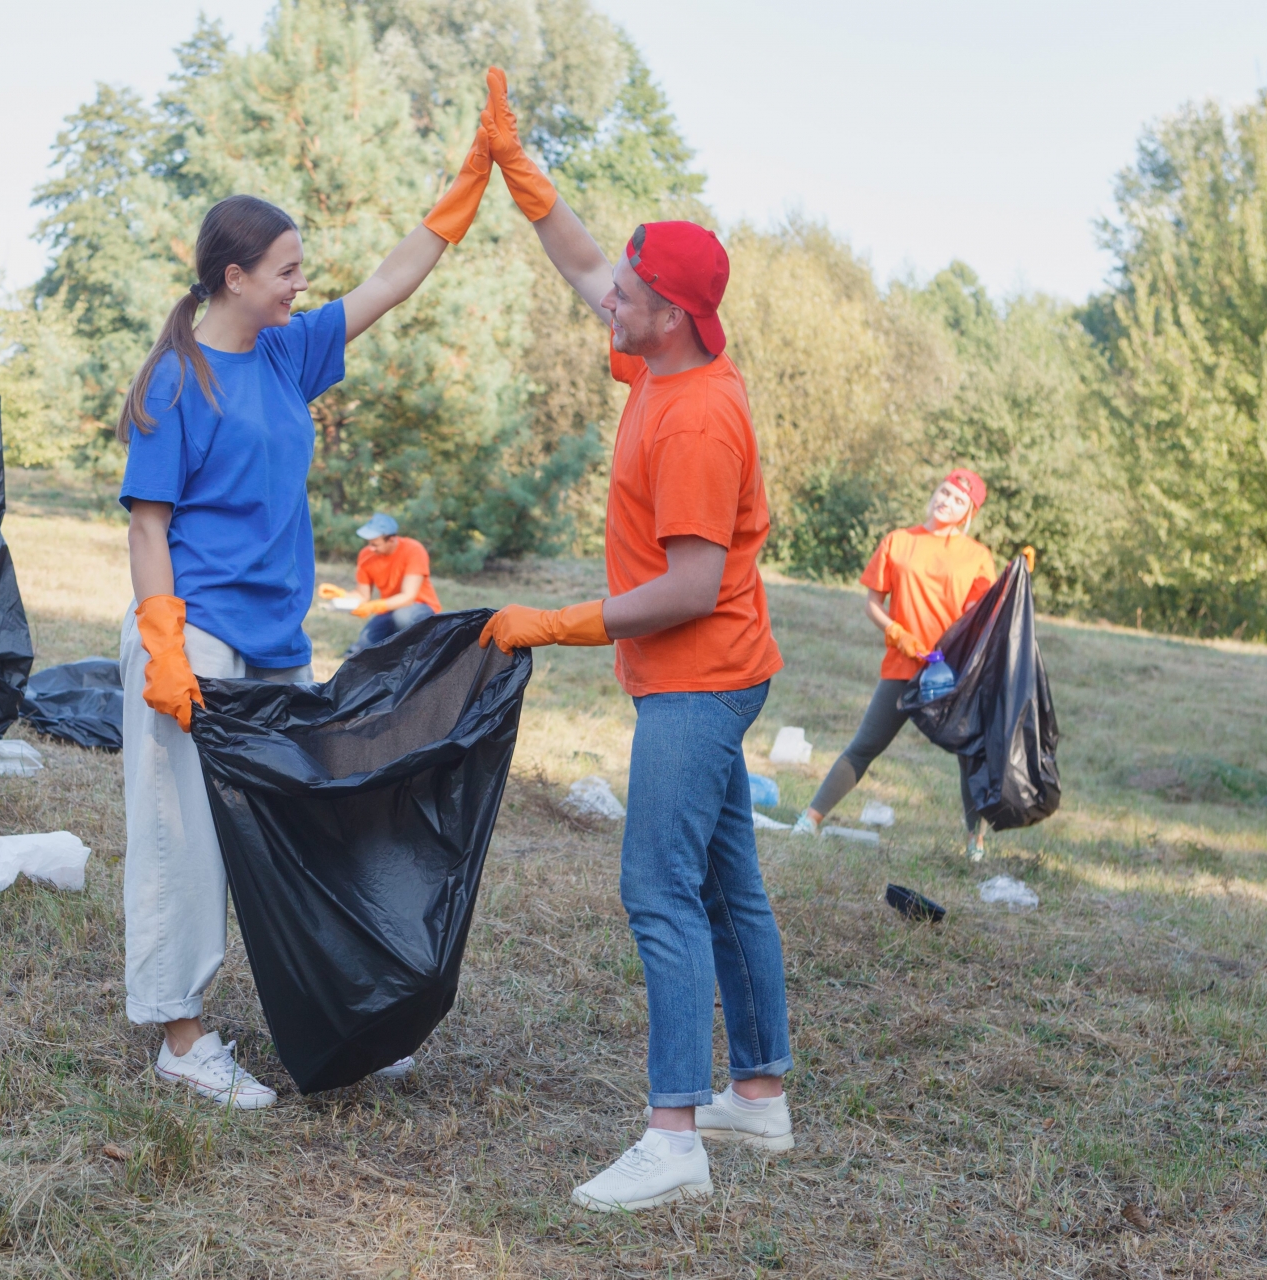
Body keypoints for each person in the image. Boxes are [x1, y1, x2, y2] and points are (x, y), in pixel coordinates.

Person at [117, 111, 498, 1108]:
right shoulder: (176, 377)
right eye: (286, 268)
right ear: (234, 277)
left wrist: (467, 187)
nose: (301, 283)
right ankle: (183, 1034)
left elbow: (390, 279)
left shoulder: (288, 354)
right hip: (189, 635)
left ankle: (337, 1006)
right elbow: (148, 524)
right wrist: (161, 634)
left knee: (311, 827)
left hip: (279, 638)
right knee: (186, 836)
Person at [472, 68, 793, 1212]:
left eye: (633, 290)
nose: (612, 294)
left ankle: (674, 1135)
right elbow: (582, 264)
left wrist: (556, 623)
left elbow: (694, 585)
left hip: (698, 680)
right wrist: (523, 178)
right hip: (711, 675)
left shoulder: (700, 416)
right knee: (726, 882)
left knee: (658, 887)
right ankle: (755, 1092)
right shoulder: (659, 356)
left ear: (674, 313)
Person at [792, 470, 1006, 859]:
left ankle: (975, 847)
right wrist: (898, 633)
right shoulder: (899, 541)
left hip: (950, 675)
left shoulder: (977, 557)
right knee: (865, 745)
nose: (947, 501)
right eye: (945, 492)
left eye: (959, 500)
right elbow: (872, 603)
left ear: (968, 512)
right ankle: (809, 820)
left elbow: (981, 618)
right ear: (935, 492)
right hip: (904, 666)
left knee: (971, 756)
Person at [345, 512, 441, 654]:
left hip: (420, 607)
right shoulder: (366, 554)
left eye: (375, 544)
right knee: (364, 644)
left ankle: (421, 650)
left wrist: (373, 606)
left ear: (391, 539)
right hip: (390, 609)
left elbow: (408, 597)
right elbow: (362, 595)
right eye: (369, 543)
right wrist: (341, 597)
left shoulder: (413, 550)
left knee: (402, 617)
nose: (370, 548)